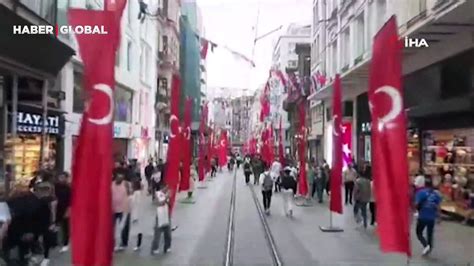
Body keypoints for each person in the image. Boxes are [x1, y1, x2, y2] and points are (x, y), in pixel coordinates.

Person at [415, 178, 442, 256]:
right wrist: (439, 217)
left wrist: (417, 210)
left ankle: (426, 245)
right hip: (432, 217)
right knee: (430, 233)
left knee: (419, 232)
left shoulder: (420, 193)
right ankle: (429, 246)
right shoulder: (436, 194)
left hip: (423, 216)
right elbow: (438, 206)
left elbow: (416, 204)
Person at [112, 173, 131, 251]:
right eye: (118, 178)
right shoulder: (111, 185)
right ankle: (112, 242)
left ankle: (124, 242)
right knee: (112, 227)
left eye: (121, 178)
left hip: (124, 209)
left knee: (124, 227)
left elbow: (130, 193)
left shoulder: (126, 184)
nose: (119, 180)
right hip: (113, 209)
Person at [151, 185, 172, 255]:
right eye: (166, 187)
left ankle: (167, 247)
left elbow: (169, 204)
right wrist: (166, 198)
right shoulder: (157, 194)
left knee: (168, 233)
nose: (167, 188)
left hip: (166, 215)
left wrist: (169, 199)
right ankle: (154, 248)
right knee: (157, 233)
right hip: (159, 216)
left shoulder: (166, 194)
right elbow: (158, 203)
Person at [54, 172, 71, 253]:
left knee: (65, 227)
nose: (61, 179)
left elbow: (71, 201)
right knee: (56, 225)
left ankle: (65, 243)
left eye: (63, 177)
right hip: (56, 209)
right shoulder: (55, 187)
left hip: (65, 208)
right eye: (60, 177)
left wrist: (68, 210)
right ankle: (55, 242)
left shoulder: (68, 188)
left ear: (66, 178)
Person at [130, 180, 145, 251]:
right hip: (139, 213)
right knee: (139, 230)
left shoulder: (136, 193)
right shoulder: (140, 193)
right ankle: (138, 244)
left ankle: (138, 244)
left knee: (138, 230)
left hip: (136, 214)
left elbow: (132, 202)